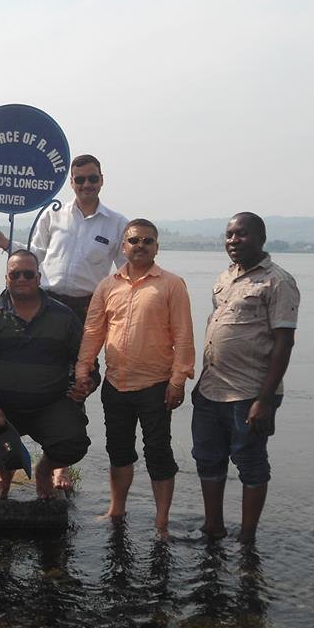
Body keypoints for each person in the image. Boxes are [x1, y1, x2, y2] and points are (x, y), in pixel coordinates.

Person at [0, 153, 127, 490]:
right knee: (20, 378)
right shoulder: (54, 213)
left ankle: (59, 464)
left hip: (86, 310)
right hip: (43, 304)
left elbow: (124, 273)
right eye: (80, 180)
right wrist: (6, 244)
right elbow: (34, 256)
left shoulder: (117, 223)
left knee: (77, 383)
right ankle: (7, 469)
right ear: (71, 182)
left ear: (102, 180)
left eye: (92, 179)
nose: (86, 185)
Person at [75, 219, 195, 534]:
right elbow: (92, 330)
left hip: (156, 385)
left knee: (158, 451)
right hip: (116, 384)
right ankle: (116, 510)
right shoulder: (107, 286)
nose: (140, 246)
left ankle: (162, 521)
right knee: (119, 449)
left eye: (147, 241)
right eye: (133, 240)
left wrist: (178, 380)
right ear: (123, 246)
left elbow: (183, 335)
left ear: (157, 246)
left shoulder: (171, 284)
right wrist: (83, 366)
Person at [191, 212, 300, 544]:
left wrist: (264, 400)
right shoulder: (225, 278)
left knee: (250, 463)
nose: (233, 241)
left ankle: (247, 537)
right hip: (212, 389)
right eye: (229, 235)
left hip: (250, 393)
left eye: (242, 234)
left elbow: (284, 342)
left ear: (261, 238)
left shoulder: (277, 281)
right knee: (208, 459)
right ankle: (214, 526)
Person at [0, 250, 96, 500]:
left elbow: (85, 360)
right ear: (6, 278)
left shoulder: (63, 316)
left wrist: (88, 382)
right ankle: (3, 470)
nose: (21, 278)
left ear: (39, 277)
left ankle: (44, 470)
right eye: (14, 274)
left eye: (28, 274)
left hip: (49, 406)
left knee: (73, 444)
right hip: (1, 408)